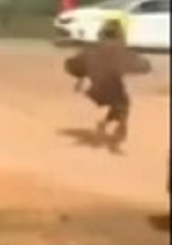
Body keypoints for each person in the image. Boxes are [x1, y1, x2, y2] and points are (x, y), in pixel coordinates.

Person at [64, 19, 151, 153]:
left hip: (95, 90)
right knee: (122, 101)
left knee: (118, 102)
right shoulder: (119, 51)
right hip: (111, 88)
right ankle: (117, 130)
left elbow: (71, 65)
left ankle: (108, 123)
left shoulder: (91, 51)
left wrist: (80, 78)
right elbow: (144, 66)